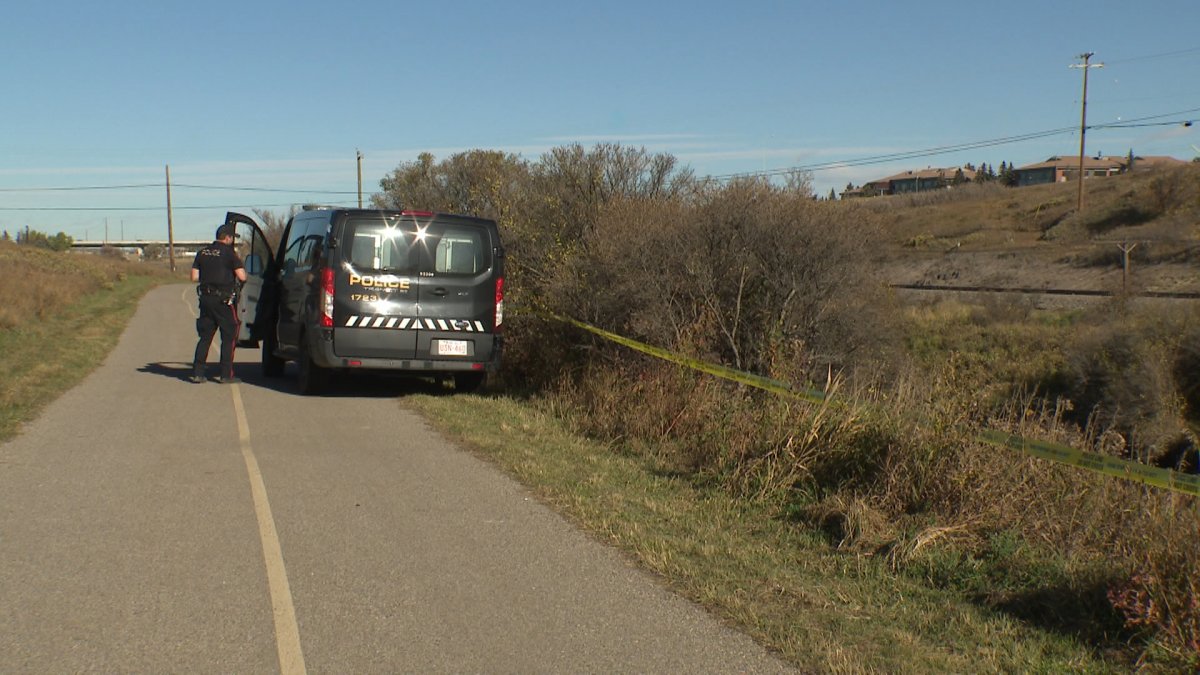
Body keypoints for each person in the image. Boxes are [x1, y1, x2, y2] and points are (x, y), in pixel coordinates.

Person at [191, 224, 248, 383]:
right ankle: (225, 374)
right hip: (223, 301)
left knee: (205, 337)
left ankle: (198, 373)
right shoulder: (229, 254)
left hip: (205, 299)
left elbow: (194, 277)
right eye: (232, 238)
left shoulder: (202, 253)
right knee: (229, 336)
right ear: (227, 237)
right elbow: (242, 277)